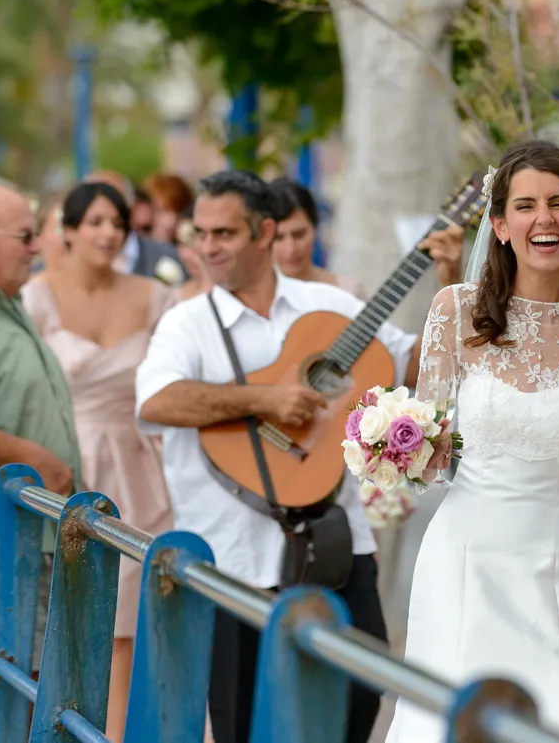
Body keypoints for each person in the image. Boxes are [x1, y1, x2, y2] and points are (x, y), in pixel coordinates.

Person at [134, 169, 441, 743]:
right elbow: (156, 401)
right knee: (241, 718)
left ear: (265, 232)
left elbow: (413, 363)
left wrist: (455, 283)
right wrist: (264, 398)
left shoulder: (328, 305)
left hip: (336, 544)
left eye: (223, 233)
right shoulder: (187, 323)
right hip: (233, 556)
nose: (207, 247)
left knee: (359, 692)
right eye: (200, 233)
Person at [386, 140, 559, 743]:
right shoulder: (453, 311)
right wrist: (390, 445)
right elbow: (431, 461)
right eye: (527, 205)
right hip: (462, 563)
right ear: (500, 224)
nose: (545, 219)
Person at [21, 181, 177, 743]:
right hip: (68, 466)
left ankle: (115, 733)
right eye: (96, 223)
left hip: (140, 469)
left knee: (128, 628)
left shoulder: (154, 296)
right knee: (70, 618)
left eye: (118, 223)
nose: (109, 233)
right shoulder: (37, 296)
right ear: (69, 230)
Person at [0, 181, 82, 683]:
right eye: (26, 236)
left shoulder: (2, 303)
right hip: (7, 549)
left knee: (38, 692)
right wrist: (36, 459)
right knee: (19, 694)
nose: (37, 248)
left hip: (32, 541)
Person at [268, 177, 465, 298]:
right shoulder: (249, 299)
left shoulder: (346, 292)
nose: (291, 248)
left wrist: (448, 284)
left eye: (299, 234)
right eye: (279, 238)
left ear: (315, 227)